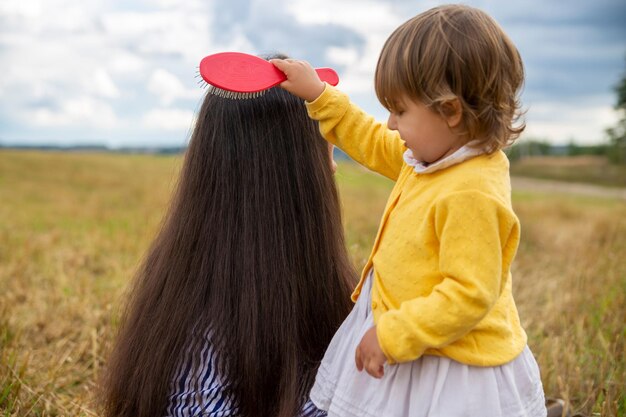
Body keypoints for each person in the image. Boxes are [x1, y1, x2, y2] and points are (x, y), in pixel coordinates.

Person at [271, 4, 546, 417]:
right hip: (415, 342)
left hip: (449, 366)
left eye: (400, 110)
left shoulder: (472, 191)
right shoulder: (433, 157)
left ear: (451, 111)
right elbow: (370, 139)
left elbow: (470, 295)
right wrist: (319, 96)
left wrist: (393, 334)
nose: (392, 124)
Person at [100, 60, 356, 417]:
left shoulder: (185, 296)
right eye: (327, 146)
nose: (333, 166)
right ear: (297, 172)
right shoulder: (208, 342)